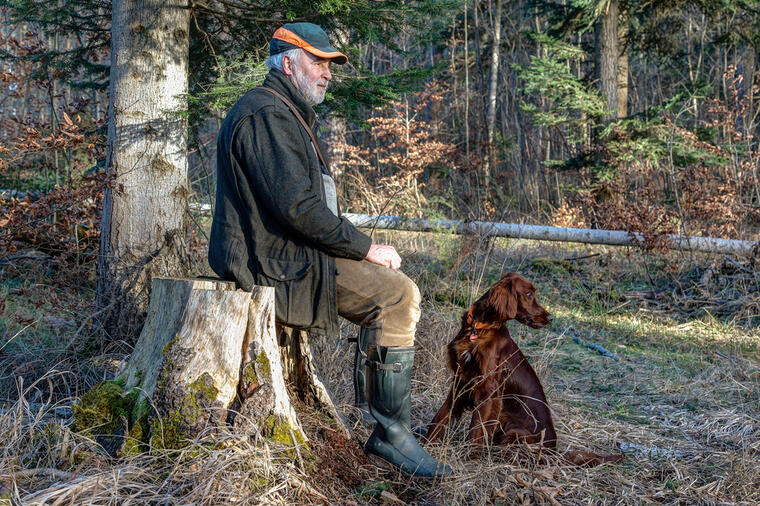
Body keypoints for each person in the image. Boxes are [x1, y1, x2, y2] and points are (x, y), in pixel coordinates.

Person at [208, 22, 451, 478]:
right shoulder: (266, 114)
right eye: (317, 62)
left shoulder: (285, 111)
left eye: (329, 65)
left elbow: (302, 205)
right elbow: (297, 207)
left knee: (398, 290)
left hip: (292, 254)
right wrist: (364, 247)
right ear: (287, 63)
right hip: (275, 263)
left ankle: (386, 428)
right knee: (397, 295)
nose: (327, 73)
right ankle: (390, 434)